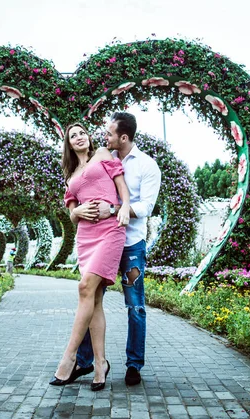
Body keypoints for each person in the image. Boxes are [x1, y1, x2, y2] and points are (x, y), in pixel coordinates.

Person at [75, 112, 162, 386]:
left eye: (110, 133)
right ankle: (84, 362)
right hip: (102, 243)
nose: (105, 136)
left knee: (135, 306)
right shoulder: (102, 160)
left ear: (124, 138)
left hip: (131, 245)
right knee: (91, 299)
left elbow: (146, 207)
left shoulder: (147, 166)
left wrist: (112, 209)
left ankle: (134, 365)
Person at [49, 123, 131, 391]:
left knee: (84, 287)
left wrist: (124, 208)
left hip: (109, 231)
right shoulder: (70, 175)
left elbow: (122, 187)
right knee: (94, 300)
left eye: (82, 132)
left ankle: (69, 357)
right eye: (73, 135)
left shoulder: (104, 155)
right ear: (69, 144)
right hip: (85, 237)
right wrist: (78, 211)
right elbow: (72, 213)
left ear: (88, 136)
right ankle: (100, 364)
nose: (79, 137)